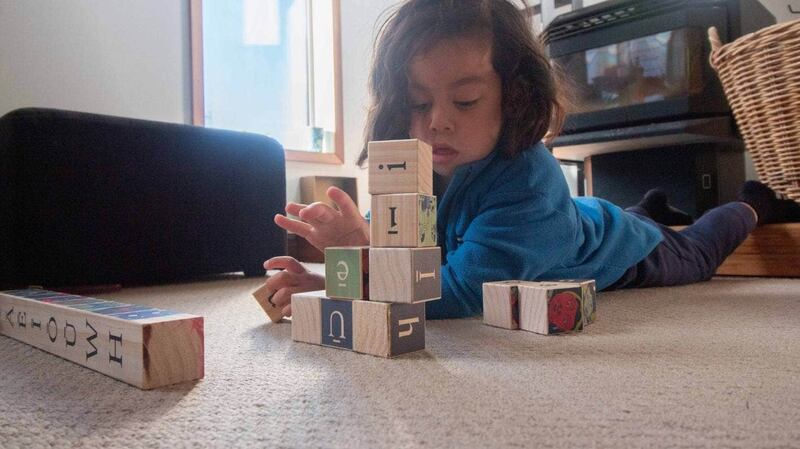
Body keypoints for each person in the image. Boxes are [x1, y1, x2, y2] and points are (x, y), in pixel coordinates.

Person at [261, 0, 800, 319]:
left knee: (700, 251)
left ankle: (751, 204)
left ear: (514, 96)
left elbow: (463, 292)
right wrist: (336, 272)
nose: (436, 122)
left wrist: (357, 258)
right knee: (612, 214)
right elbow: (404, 251)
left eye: (465, 100)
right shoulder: (415, 164)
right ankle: (648, 206)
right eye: (418, 103)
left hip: (632, 255)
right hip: (571, 223)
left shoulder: (525, 179)